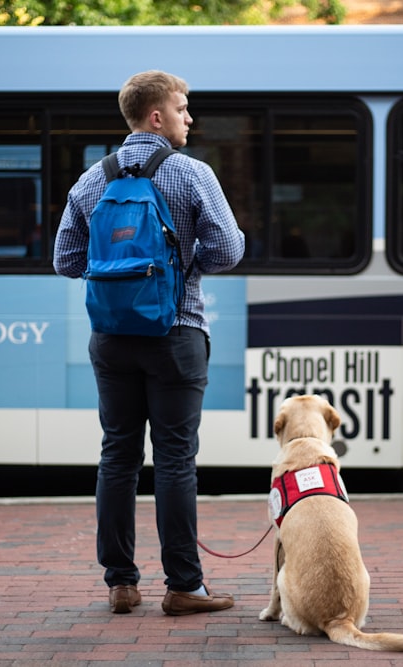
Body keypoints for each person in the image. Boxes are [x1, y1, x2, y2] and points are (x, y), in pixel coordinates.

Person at [53, 70, 245, 615]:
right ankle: (184, 586)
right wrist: (184, 268)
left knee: (117, 456)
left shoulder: (92, 181)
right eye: (183, 109)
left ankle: (121, 583)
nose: (190, 118)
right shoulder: (191, 174)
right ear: (156, 116)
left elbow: (65, 261)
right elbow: (229, 251)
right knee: (176, 459)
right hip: (176, 332)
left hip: (111, 339)